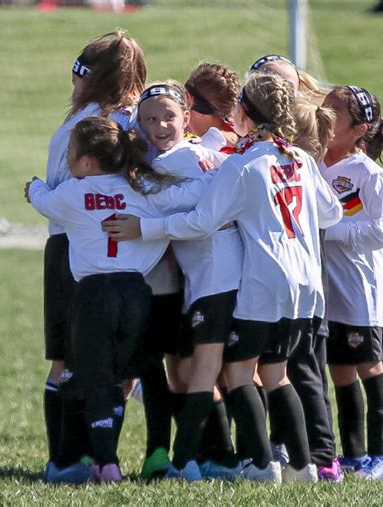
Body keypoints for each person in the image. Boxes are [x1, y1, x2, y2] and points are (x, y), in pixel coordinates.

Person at [113, 73, 343, 483]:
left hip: (255, 279)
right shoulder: (299, 158)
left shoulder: (241, 163)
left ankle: (247, 464)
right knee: (275, 373)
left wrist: (143, 226)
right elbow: (332, 213)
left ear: (244, 112)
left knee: (230, 372)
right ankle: (301, 465)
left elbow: (202, 220)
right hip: (307, 282)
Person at [25, 116, 216, 483]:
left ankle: (106, 461)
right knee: (127, 373)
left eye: (70, 152)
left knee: (96, 376)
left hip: (93, 294)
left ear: (87, 162)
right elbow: (186, 198)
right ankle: (126, 456)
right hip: (137, 294)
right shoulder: (142, 190)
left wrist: (32, 186)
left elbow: (42, 200)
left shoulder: (72, 193)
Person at [40, 30, 147, 480]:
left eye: (76, 79)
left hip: (72, 248)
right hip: (128, 253)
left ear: (87, 77)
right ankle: (100, 457)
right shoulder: (137, 122)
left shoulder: (81, 126)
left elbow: (57, 190)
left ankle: (67, 459)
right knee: (117, 366)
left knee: (67, 359)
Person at [138, 81, 243, 481]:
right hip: (206, 278)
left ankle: (206, 461)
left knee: (207, 370)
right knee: (196, 371)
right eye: (150, 120)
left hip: (214, 276)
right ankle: (223, 456)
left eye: (168, 116)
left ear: (186, 116)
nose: (160, 126)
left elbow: (163, 203)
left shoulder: (171, 164)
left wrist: (137, 219)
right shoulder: (202, 153)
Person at [249, 55, 343, 482]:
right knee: (275, 366)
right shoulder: (268, 148)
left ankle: (321, 455)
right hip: (282, 275)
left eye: (282, 84)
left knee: (304, 367)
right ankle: (285, 449)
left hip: (299, 274)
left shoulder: (297, 146)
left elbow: (331, 211)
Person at [320, 85, 383, 480]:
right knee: (339, 370)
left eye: (334, 111)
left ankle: (381, 457)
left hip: (358, 289)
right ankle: (353, 454)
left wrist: (334, 233)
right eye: (325, 106)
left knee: (369, 366)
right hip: (324, 289)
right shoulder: (312, 162)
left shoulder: (368, 174)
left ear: (359, 129)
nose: (324, 114)